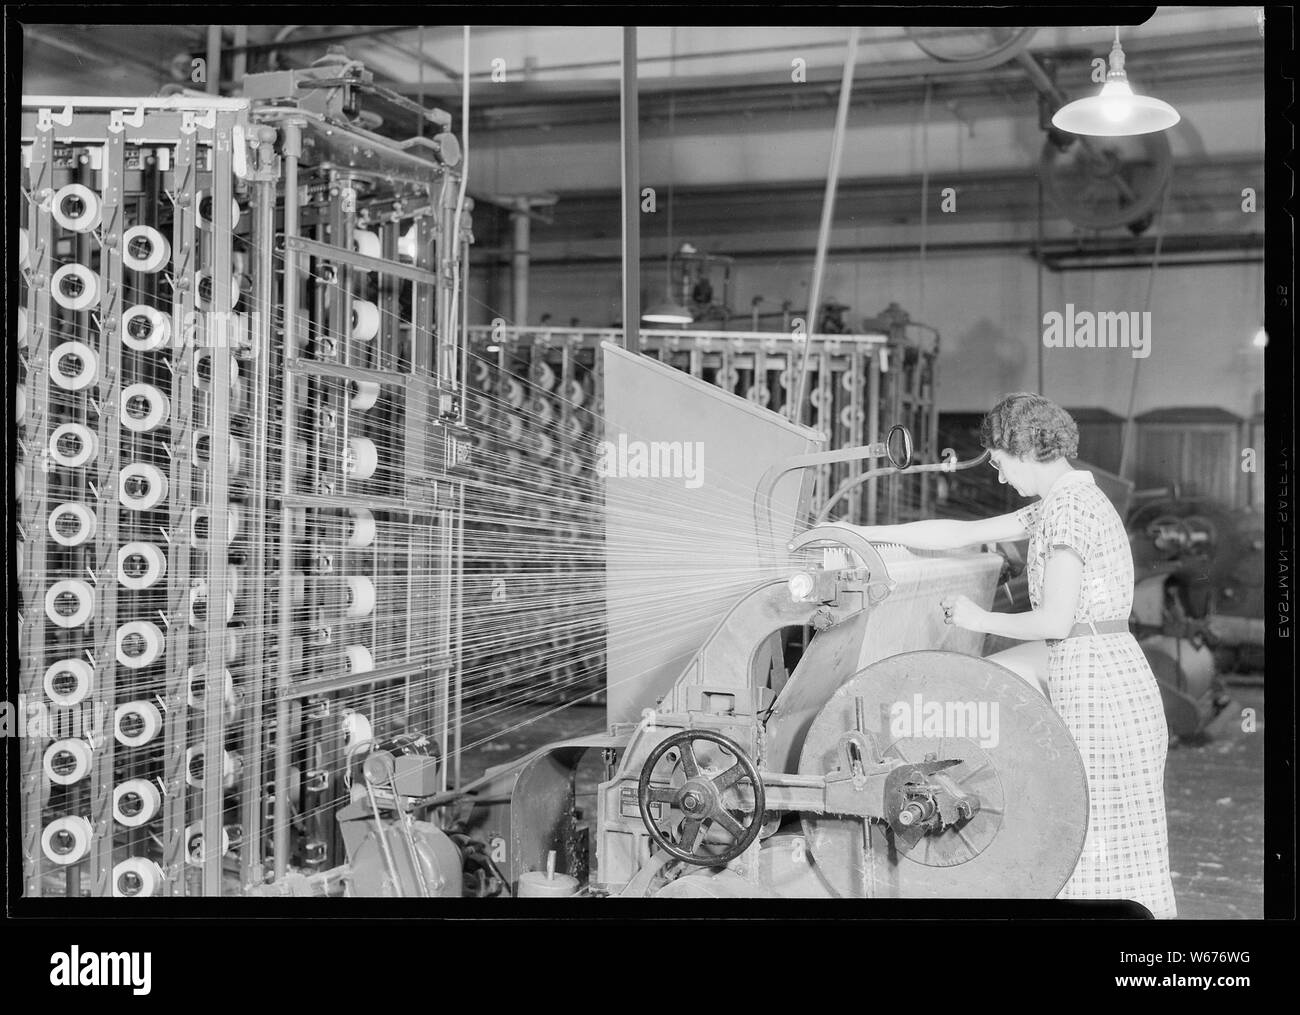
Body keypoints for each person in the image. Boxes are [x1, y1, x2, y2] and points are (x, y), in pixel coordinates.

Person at [850, 392, 1176, 918]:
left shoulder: (1070, 510)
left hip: (1102, 689)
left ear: (1023, 449)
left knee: (1095, 845)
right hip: (1098, 673)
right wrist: (860, 535)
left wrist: (980, 621)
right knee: (1101, 845)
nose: (999, 478)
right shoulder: (1062, 504)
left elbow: (1054, 621)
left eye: (999, 464)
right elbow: (963, 533)